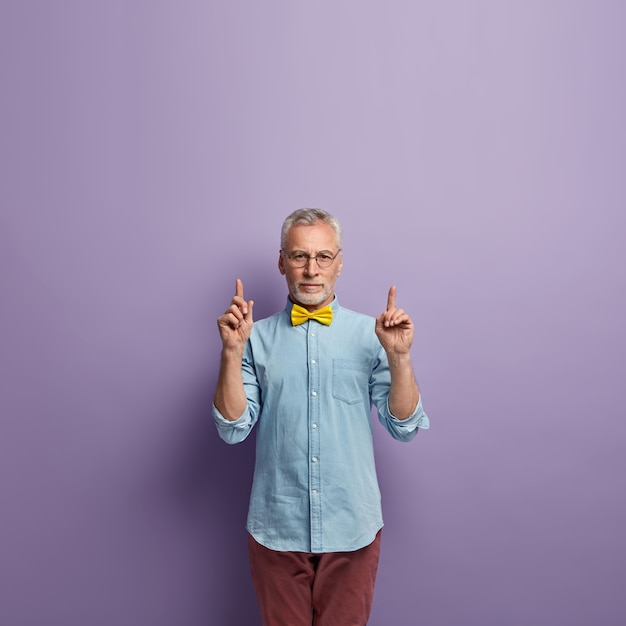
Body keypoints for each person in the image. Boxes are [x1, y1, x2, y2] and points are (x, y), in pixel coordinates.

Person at [213, 208, 429, 626]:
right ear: (281, 262)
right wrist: (231, 353)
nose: (311, 269)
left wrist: (399, 358)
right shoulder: (253, 338)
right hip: (277, 529)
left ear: (339, 263)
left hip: (352, 527)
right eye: (299, 256)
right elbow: (233, 429)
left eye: (323, 257)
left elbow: (403, 427)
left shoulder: (373, 334)